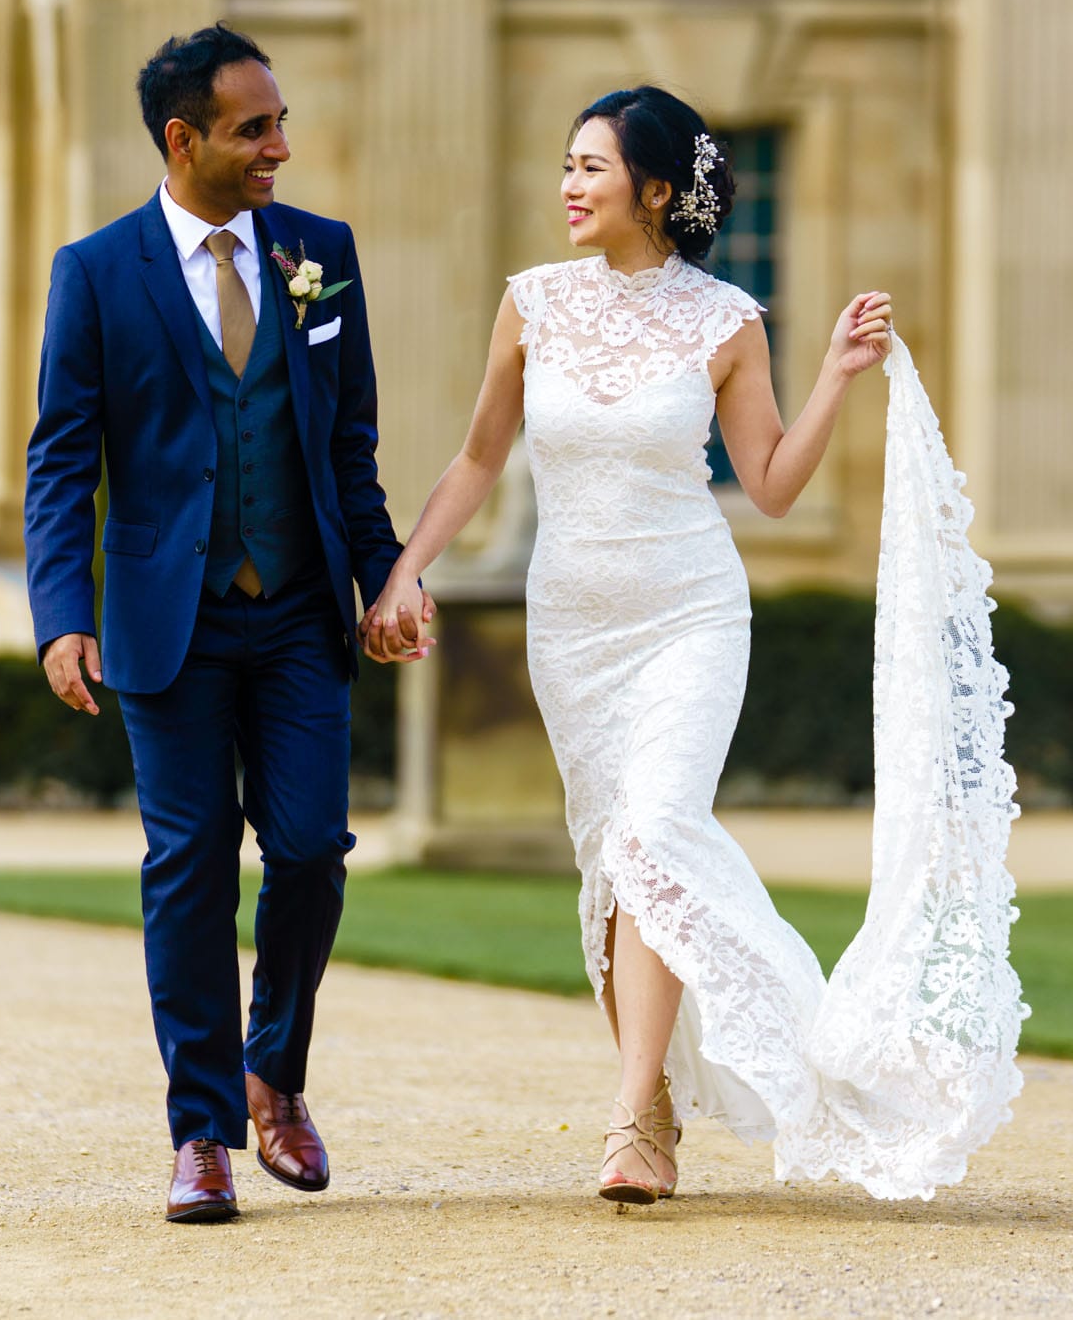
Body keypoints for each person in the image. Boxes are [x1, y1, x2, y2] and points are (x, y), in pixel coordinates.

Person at [367, 85, 1024, 1205]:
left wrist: (830, 378)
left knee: (658, 831)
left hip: (691, 615)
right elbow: (478, 460)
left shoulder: (726, 321)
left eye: (592, 167)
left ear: (657, 190)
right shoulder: (529, 304)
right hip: (572, 625)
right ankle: (654, 1101)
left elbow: (766, 486)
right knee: (617, 855)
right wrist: (402, 567)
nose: (568, 186)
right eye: (566, 165)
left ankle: (632, 1123)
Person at [23, 25, 426, 1223]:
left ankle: (275, 1077)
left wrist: (384, 580)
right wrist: (62, 616)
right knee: (188, 867)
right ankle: (198, 1131)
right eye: (255, 130)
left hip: (299, 618)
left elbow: (349, 448)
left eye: (281, 123)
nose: (280, 148)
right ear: (182, 139)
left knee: (309, 850)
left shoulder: (322, 256)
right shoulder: (96, 273)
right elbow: (60, 462)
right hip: (166, 625)